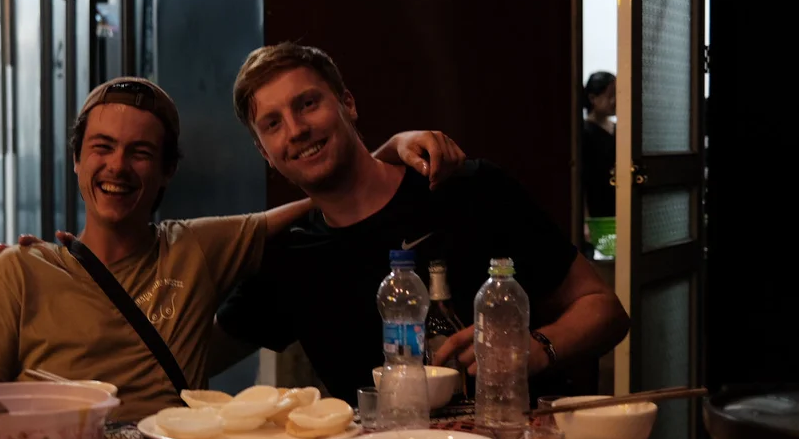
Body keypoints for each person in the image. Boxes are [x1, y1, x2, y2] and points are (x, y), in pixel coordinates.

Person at [0, 77, 465, 421]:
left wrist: (389, 147)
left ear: (168, 169)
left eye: (141, 153)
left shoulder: (196, 246)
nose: (118, 167)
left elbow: (328, 194)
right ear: (77, 159)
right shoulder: (18, 269)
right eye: (101, 148)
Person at [216, 43, 629, 402]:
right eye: (273, 123)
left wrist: (538, 348)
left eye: (308, 103)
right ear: (264, 151)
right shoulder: (290, 257)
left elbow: (605, 310)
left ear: (348, 104)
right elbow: (191, 353)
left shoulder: (466, 188)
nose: (297, 129)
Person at [581, 72, 616, 239]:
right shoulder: (584, 132)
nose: (615, 101)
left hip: (616, 204)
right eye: (610, 95)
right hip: (596, 208)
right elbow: (582, 180)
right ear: (593, 98)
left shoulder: (617, 129)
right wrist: (585, 220)